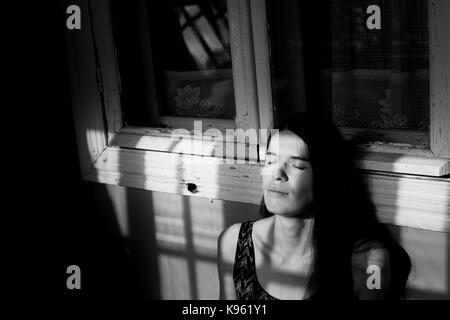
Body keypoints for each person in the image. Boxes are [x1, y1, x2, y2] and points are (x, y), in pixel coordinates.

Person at [217, 112, 411, 300]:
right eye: (270, 160)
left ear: (326, 178)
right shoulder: (234, 242)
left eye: (298, 165)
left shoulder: (371, 265)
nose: (277, 174)